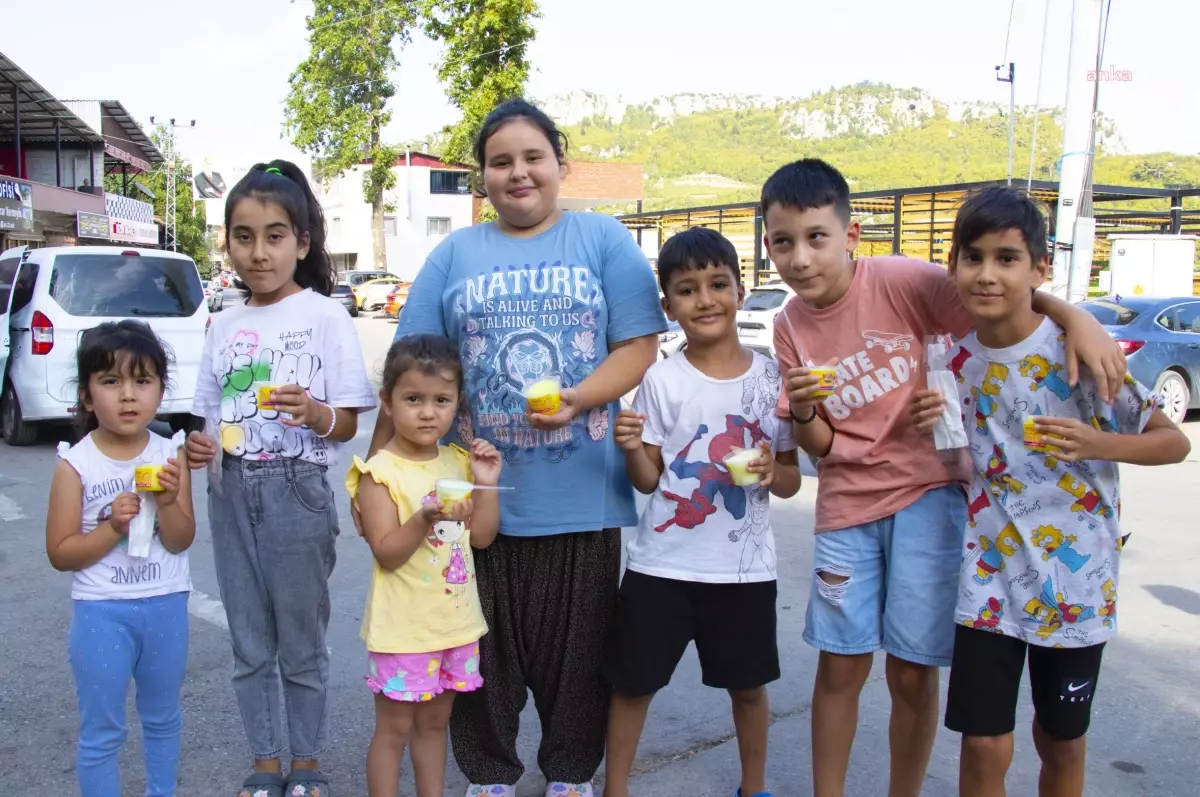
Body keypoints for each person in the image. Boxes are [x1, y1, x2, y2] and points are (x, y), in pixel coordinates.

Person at [763, 158, 1128, 797]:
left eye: (816, 237)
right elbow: (821, 449)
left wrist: (1079, 318)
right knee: (840, 665)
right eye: (782, 242)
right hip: (847, 504)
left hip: (931, 495)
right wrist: (800, 409)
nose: (799, 259)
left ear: (850, 236)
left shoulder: (903, 280)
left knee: (910, 672)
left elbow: (997, 293)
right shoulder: (788, 324)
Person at [362, 99, 667, 797]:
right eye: (501, 162)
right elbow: (411, 367)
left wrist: (581, 398)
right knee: (480, 652)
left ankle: (567, 774)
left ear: (561, 165)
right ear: (483, 178)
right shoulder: (456, 254)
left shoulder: (602, 240)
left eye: (534, 157)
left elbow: (639, 345)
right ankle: (491, 774)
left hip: (581, 498)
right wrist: (371, 482)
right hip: (472, 502)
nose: (519, 172)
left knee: (579, 657)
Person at [909, 186, 1190, 797]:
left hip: (1076, 585)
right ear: (953, 264)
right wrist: (933, 428)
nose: (987, 274)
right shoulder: (951, 365)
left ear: (1040, 269)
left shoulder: (1078, 354)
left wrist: (1099, 444)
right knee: (982, 744)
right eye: (972, 257)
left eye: (1007, 258)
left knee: (1060, 740)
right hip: (986, 584)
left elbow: (1173, 442)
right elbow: (963, 465)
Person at [184, 160, 377, 797]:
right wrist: (197, 448)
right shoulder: (225, 323)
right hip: (230, 488)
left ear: (301, 241)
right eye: (244, 236)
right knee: (248, 642)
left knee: (300, 642)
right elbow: (206, 412)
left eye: (274, 235)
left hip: (298, 487)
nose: (258, 252)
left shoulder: (325, 316)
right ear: (228, 243)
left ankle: (306, 763)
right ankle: (265, 763)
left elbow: (348, 421)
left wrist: (316, 413)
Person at [602, 227, 801, 797]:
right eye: (687, 290)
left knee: (749, 688)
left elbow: (788, 481)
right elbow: (649, 480)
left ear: (741, 290)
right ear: (669, 307)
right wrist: (632, 446)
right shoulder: (661, 381)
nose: (706, 299)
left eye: (718, 284)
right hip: (661, 567)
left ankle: (754, 786)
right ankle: (616, 788)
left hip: (743, 572)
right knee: (633, 686)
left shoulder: (771, 380)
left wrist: (770, 471)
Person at [347, 334, 503, 797]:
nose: (428, 412)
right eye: (413, 399)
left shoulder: (459, 464)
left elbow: (481, 537)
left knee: (436, 726)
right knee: (394, 730)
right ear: (388, 403)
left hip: (454, 625)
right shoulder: (380, 473)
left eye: (441, 400)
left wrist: (487, 485)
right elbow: (388, 553)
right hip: (402, 629)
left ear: (457, 404)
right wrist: (424, 516)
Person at [45, 320, 195, 797]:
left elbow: (180, 540)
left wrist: (169, 502)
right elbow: (61, 553)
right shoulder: (77, 463)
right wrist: (111, 526)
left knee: (162, 718)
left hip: (166, 603)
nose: (128, 395)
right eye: (111, 382)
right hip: (102, 610)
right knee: (102, 731)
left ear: (160, 390)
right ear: (88, 396)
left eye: (143, 380)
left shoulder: (172, 454)